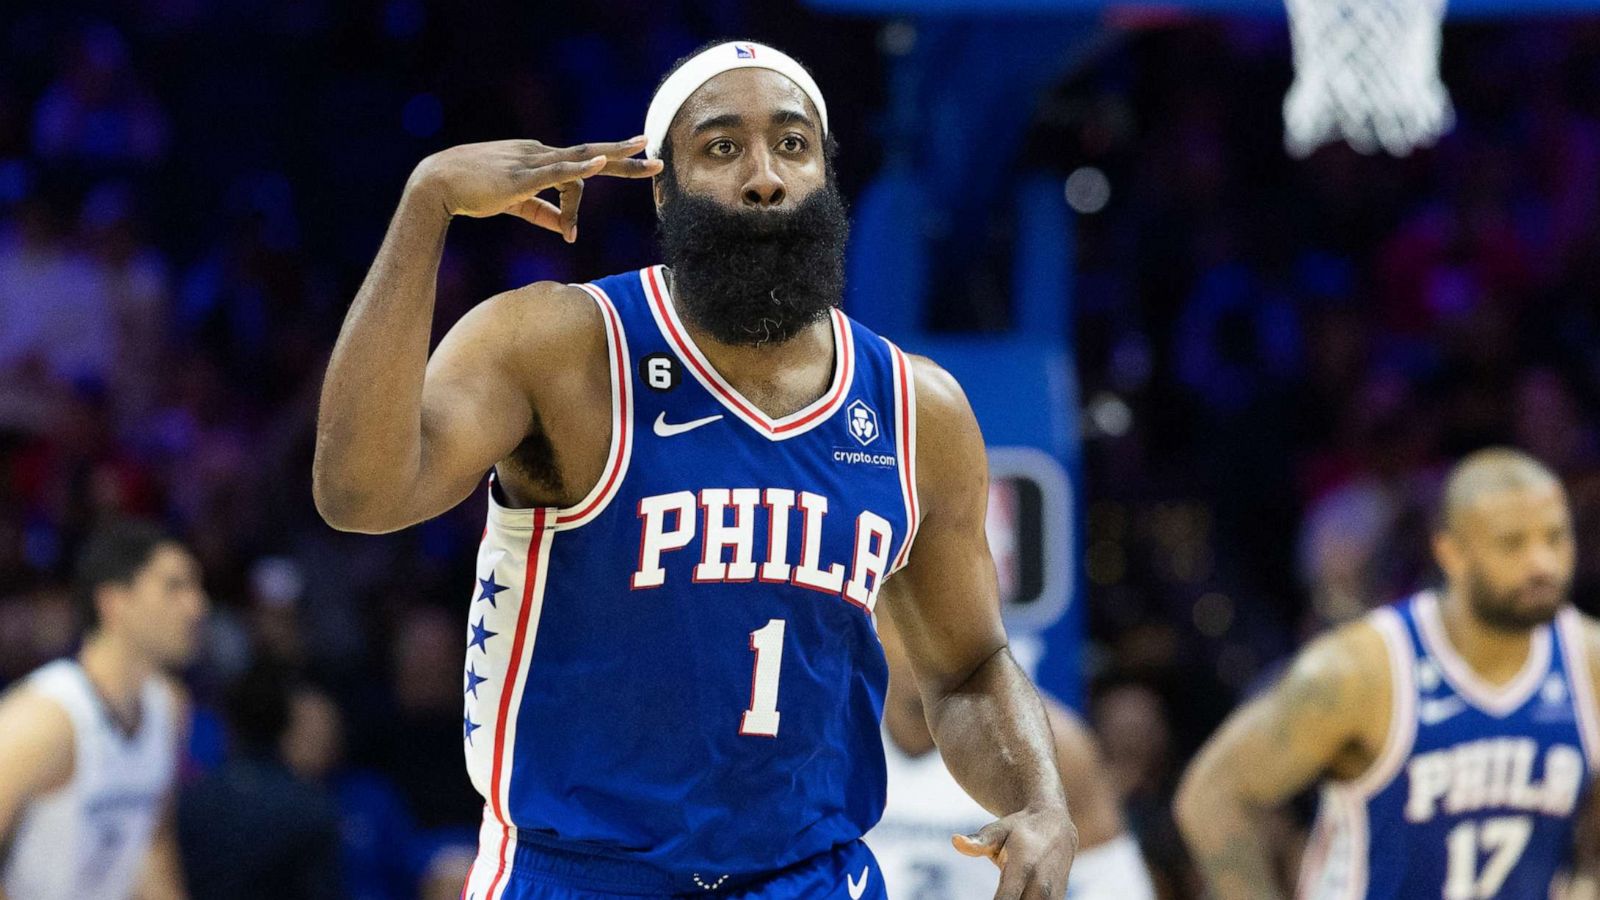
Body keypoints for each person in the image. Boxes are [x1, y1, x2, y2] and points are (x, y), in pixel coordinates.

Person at [314, 39, 1077, 900]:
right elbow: (358, 495)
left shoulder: (917, 411)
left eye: (792, 145)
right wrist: (428, 208)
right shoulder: (558, 347)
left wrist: (1041, 801)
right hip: (581, 875)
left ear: (826, 174)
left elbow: (969, 666)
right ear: (663, 185)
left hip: (809, 878)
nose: (764, 177)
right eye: (723, 148)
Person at [1176, 448, 1600, 898]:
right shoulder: (1360, 671)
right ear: (1451, 553)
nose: (1543, 564)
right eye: (1513, 543)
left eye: (1556, 538)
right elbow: (1211, 796)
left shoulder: (1589, 663)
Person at [865, 611, 1154, 899]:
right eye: (904, 627)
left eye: (939, 629)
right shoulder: (832, 735)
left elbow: (1115, 888)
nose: (922, 648)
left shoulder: (1054, 747)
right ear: (874, 628)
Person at [0, 518, 204, 900]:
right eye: (174, 587)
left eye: (195, 587)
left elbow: (152, 848)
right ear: (114, 602)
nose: (197, 605)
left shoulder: (170, 707)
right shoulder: (46, 716)